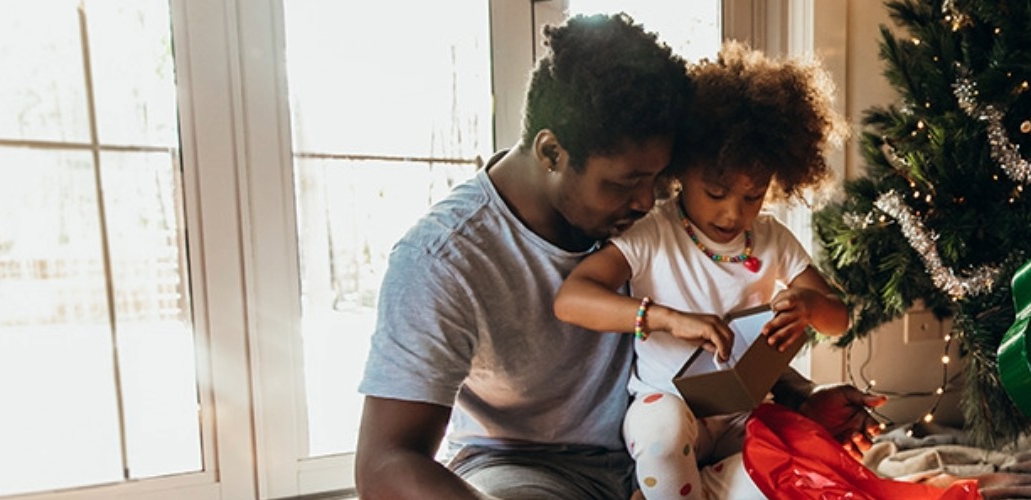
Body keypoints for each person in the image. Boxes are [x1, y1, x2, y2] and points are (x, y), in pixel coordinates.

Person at [353, 14, 881, 500]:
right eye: (628, 182)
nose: (648, 201)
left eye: (659, 179)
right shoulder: (445, 260)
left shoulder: (653, 223)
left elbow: (711, 341)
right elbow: (384, 461)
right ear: (551, 153)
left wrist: (801, 397)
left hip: (678, 447)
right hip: (534, 472)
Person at [553, 42, 859, 500]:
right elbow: (571, 299)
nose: (733, 213)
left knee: (790, 475)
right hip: (667, 409)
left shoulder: (773, 239)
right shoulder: (654, 232)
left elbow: (840, 318)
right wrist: (666, 319)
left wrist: (811, 306)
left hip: (743, 415)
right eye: (715, 192)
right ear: (682, 170)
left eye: (753, 196)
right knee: (663, 438)